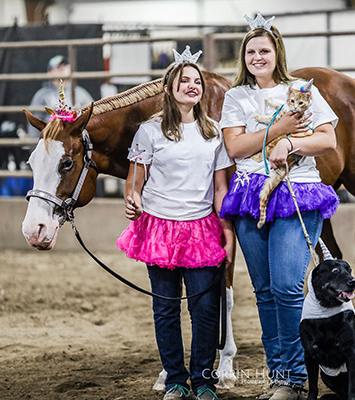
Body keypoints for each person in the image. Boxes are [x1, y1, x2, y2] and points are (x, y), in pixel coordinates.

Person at [219, 13, 339, 400]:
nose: (257, 57)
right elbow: (235, 147)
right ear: (244, 57)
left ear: (277, 54)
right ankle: (280, 377)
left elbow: (328, 140)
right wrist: (280, 128)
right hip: (249, 194)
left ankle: (296, 377)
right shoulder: (236, 97)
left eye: (264, 51)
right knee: (265, 291)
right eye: (250, 52)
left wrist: (291, 143)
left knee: (287, 287)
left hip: (296, 191)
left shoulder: (301, 89)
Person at [116, 46, 234, 400]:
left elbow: (220, 187)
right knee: (165, 308)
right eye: (184, 81)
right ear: (169, 88)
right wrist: (133, 200)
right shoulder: (149, 131)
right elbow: (136, 180)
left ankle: (204, 381)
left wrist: (227, 230)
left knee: (205, 309)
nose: (192, 86)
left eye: (196, 81)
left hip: (201, 228)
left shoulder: (214, 132)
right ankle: (176, 380)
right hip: (160, 228)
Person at [27, 55, 93, 138]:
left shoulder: (80, 93)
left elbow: (93, 116)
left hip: (76, 141)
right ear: (49, 73)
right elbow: (34, 126)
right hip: (52, 140)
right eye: (58, 67)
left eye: (65, 65)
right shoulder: (41, 95)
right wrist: (35, 144)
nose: (63, 68)